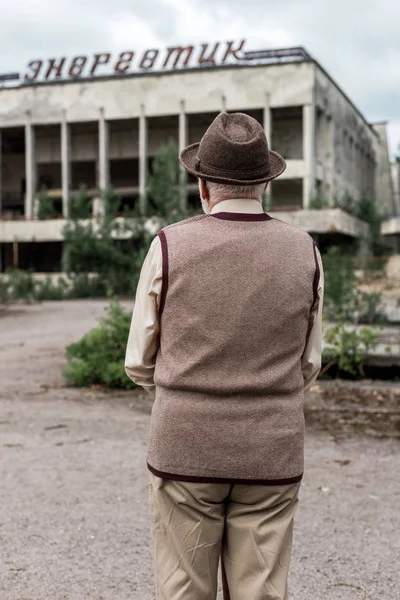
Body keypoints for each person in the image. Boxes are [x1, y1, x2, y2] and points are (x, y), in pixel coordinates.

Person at [125, 112, 323, 600]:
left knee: (183, 590)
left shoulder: (170, 245)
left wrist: (181, 388)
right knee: (260, 592)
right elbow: (308, 363)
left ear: (202, 184)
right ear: (264, 184)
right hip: (271, 450)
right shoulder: (305, 250)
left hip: (184, 444)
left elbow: (138, 359)